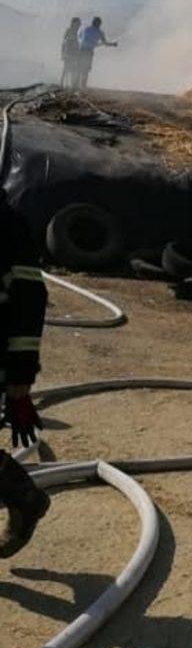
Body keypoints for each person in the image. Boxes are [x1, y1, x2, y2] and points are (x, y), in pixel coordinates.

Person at [0, 191, 50, 558]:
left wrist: (21, 370)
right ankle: (24, 497)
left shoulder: (8, 225)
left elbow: (30, 298)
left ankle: (24, 497)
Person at [76, 16, 117, 90]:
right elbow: (105, 43)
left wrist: (112, 44)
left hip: (82, 50)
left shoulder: (86, 28)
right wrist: (113, 44)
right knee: (85, 69)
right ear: (98, 23)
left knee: (82, 68)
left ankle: (78, 85)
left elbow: (79, 36)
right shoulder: (99, 32)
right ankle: (82, 86)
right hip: (87, 51)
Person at [60, 16, 81, 88]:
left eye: (79, 24)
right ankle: (61, 84)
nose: (78, 25)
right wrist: (62, 53)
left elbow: (79, 43)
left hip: (75, 52)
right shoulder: (68, 30)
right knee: (66, 68)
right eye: (77, 23)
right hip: (68, 51)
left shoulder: (78, 32)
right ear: (73, 23)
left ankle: (72, 85)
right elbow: (64, 43)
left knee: (73, 69)